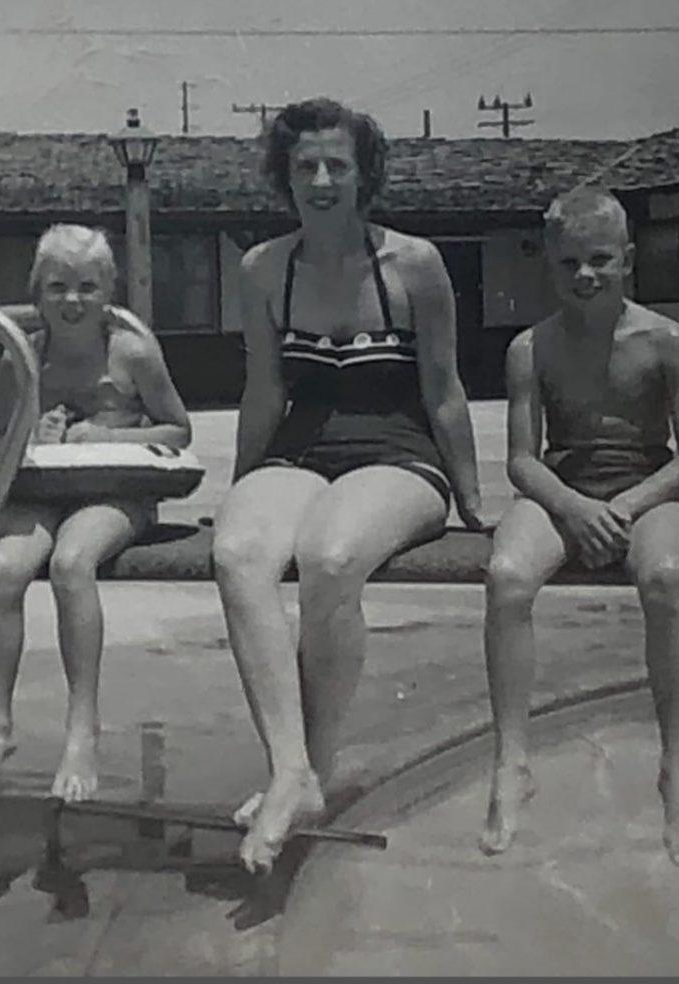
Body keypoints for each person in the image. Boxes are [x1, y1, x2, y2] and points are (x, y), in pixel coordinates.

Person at [211, 98, 484, 873]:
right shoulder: (266, 269)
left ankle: (310, 770)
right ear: (283, 177)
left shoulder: (415, 265)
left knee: (332, 557)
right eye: (305, 167)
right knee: (237, 554)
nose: (322, 180)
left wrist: (470, 501)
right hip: (302, 450)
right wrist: (240, 488)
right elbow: (264, 391)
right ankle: (291, 771)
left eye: (338, 165)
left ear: (366, 176)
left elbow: (444, 391)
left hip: (400, 455)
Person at [479, 187, 679, 865]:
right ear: (549, 266)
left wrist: (629, 505)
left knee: (666, 579)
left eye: (600, 260)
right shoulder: (533, 348)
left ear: (628, 261)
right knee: (506, 578)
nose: (585, 275)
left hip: (647, 486)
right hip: (566, 487)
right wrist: (575, 508)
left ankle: (678, 762)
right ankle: (512, 761)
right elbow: (523, 460)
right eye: (569, 263)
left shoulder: (667, 341)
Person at [0, 224, 191, 806]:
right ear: (38, 292)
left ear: (107, 291)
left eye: (87, 287)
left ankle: (82, 727)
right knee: (4, 570)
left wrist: (105, 432)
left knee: (71, 563)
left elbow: (180, 430)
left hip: (117, 491)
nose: (73, 301)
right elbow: (1, 441)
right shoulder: (20, 359)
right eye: (58, 287)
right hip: (42, 490)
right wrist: (33, 432)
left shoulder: (132, 353)